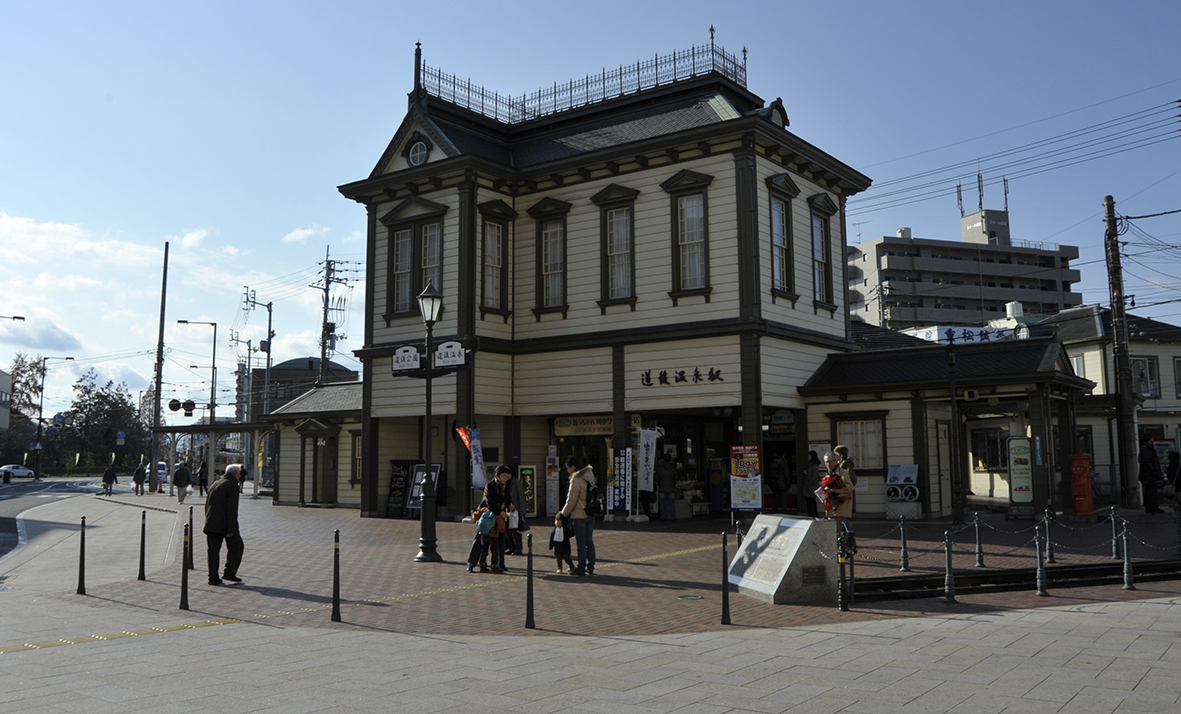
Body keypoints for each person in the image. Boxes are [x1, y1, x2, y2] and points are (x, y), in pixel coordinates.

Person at [466, 464, 514, 573]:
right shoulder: (490, 486)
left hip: (498, 519)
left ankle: (499, 564)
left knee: (500, 541)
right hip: (486, 518)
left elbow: (507, 499)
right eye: (503, 476)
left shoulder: (507, 487)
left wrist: (509, 506)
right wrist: (500, 511)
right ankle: (471, 563)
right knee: (480, 541)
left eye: (507, 476)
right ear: (497, 476)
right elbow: (489, 501)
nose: (505, 479)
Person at [204, 464, 244, 585]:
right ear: (235, 474)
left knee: (213, 552)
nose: (240, 475)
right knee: (237, 546)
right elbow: (231, 509)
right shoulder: (232, 486)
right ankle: (229, 572)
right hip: (225, 524)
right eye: (239, 473)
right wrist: (231, 529)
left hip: (211, 523)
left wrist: (208, 519)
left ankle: (213, 577)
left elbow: (207, 505)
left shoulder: (215, 483)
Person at [560, 456, 597, 576]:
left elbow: (571, 500)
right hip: (591, 513)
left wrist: (562, 514)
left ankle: (581, 568)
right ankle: (590, 567)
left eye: (568, 468)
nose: (568, 471)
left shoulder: (576, 479)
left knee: (581, 543)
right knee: (589, 541)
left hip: (579, 515)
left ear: (573, 467)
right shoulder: (589, 475)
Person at [820, 452, 853, 527]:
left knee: (835, 532)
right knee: (832, 530)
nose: (828, 464)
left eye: (830, 462)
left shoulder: (842, 473)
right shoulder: (829, 473)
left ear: (836, 461)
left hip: (840, 506)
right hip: (830, 506)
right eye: (826, 462)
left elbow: (849, 488)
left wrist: (832, 491)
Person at [1139, 433, 1164, 514]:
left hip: (1148, 474)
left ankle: (1153, 507)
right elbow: (1147, 461)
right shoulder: (1147, 448)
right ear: (1150, 439)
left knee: (1151, 491)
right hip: (1149, 474)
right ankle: (1151, 507)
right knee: (1151, 491)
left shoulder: (1146, 448)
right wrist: (1154, 470)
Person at [505, 466, 527, 556]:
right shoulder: (504, 482)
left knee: (516, 531)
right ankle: (511, 547)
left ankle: (518, 548)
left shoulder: (516, 483)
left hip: (516, 510)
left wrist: (522, 512)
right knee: (507, 530)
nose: (507, 476)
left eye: (508, 474)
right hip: (506, 510)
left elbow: (521, 497)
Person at [655, 453, 679, 521]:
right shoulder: (673, 468)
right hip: (671, 487)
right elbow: (676, 476)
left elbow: (657, 478)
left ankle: (662, 516)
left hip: (662, 487)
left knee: (662, 503)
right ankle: (672, 517)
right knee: (672, 503)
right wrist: (673, 483)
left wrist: (659, 484)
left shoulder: (660, 468)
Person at [801, 451, 821, 518]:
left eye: (809, 456)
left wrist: (809, 483)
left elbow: (814, 476)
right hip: (808, 486)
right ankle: (811, 514)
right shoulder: (809, 465)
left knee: (812, 502)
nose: (808, 457)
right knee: (809, 502)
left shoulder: (814, 465)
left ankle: (814, 515)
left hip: (811, 486)